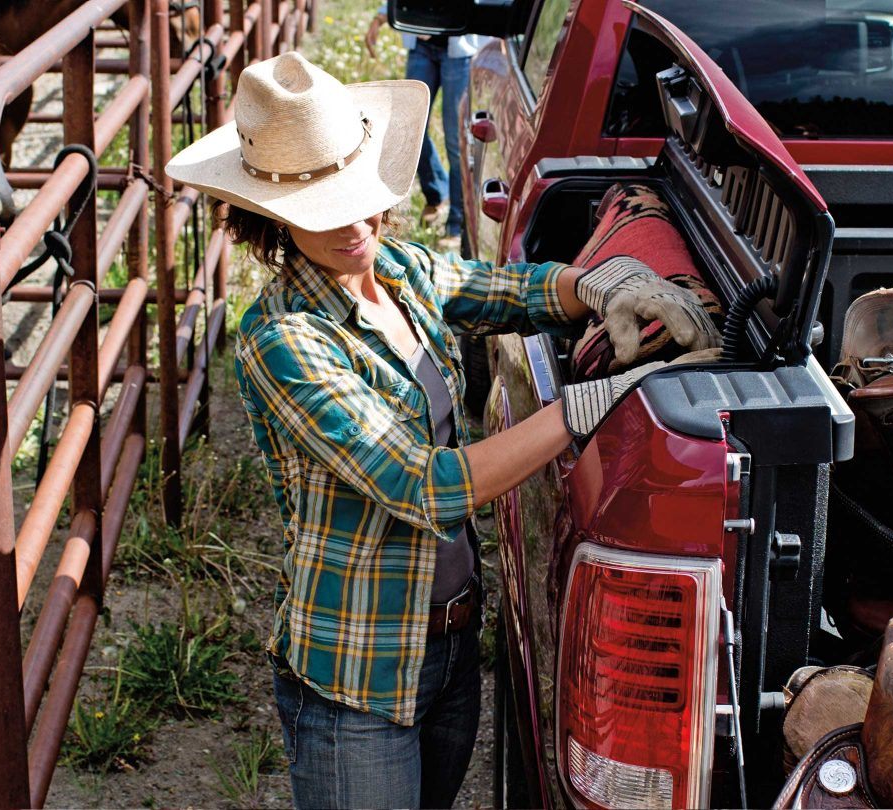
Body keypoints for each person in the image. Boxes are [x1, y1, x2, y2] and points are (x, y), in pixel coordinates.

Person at [165, 52, 719, 809]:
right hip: (359, 672)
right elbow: (424, 484)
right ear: (271, 215)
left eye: (360, 197)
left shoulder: (392, 268)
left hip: (451, 642)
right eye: (325, 212)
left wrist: (599, 285)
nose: (357, 224)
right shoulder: (286, 341)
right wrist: (589, 406)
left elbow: (500, 289)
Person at [365, 7, 485, 250]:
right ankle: (436, 193)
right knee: (410, 128)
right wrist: (381, 16)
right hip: (421, 43)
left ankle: (456, 223)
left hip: (459, 48)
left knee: (456, 139)